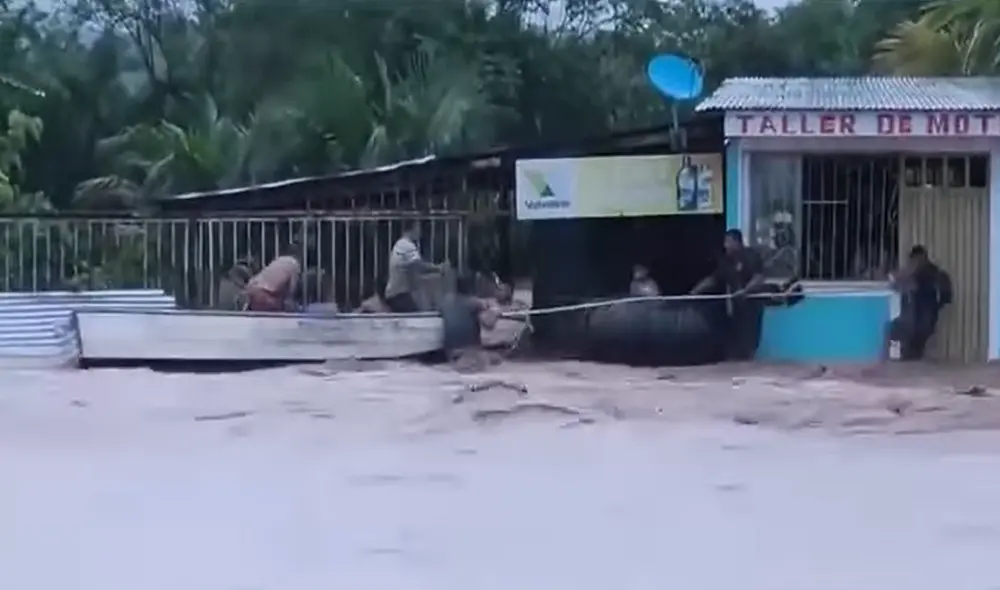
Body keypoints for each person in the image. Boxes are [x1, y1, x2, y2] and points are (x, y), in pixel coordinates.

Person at [691, 228, 765, 360]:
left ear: (737, 242)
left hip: (752, 305)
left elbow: (758, 278)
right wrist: (695, 291)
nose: (725, 246)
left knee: (750, 338)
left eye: (728, 242)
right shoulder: (726, 262)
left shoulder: (751, 256)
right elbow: (714, 279)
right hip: (736, 307)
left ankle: (750, 363)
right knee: (735, 337)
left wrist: (746, 291)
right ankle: (737, 363)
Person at [884, 245, 952, 361]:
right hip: (920, 317)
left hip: (921, 318)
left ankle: (904, 357)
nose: (914, 263)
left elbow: (902, 284)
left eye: (915, 260)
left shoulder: (927, 273)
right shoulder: (927, 272)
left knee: (908, 339)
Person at [440, 273, 499, 370]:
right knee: (496, 359)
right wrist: (495, 311)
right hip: (469, 351)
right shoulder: (474, 303)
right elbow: (489, 324)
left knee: (493, 357)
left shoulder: (446, 301)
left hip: (450, 352)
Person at [384, 221, 443, 313]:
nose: (420, 232)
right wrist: (438, 268)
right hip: (398, 294)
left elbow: (414, 268)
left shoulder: (401, 244)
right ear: (413, 228)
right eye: (418, 228)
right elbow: (418, 265)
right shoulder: (406, 245)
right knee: (416, 316)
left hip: (397, 293)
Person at [244, 245, 301, 312]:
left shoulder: (278, 260)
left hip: (251, 290)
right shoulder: (294, 264)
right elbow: (291, 290)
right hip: (264, 295)